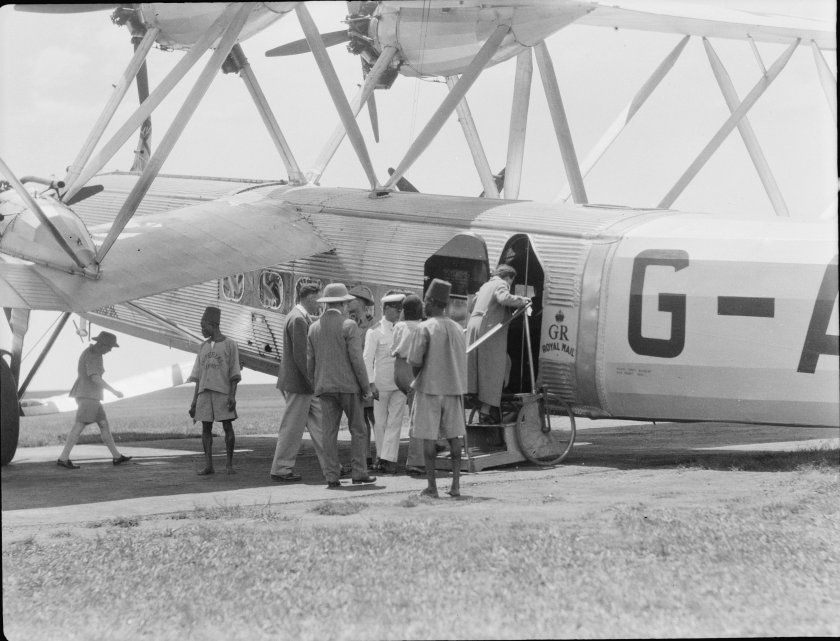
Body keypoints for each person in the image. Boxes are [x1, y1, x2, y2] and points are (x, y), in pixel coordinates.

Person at [308, 283, 376, 488]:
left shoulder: (313, 328)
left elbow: (310, 361)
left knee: (329, 432)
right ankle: (359, 472)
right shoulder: (349, 326)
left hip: (325, 387)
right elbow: (357, 360)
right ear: (343, 303)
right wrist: (366, 388)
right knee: (358, 429)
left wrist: (315, 384)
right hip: (348, 387)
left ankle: (331, 476)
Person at [407, 279, 467, 498]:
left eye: (426, 301)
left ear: (432, 302)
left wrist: (420, 379)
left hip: (429, 389)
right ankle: (456, 485)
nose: (424, 304)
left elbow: (415, 361)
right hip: (453, 389)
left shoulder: (425, 328)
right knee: (454, 437)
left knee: (428, 437)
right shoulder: (458, 329)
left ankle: (432, 486)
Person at [270, 284, 331, 483]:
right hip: (300, 384)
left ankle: (332, 465)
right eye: (318, 300)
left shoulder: (297, 316)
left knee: (321, 424)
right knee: (292, 428)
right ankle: (281, 468)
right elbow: (301, 357)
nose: (319, 305)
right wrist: (313, 381)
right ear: (310, 298)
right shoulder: (298, 319)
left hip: (301, 384)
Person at [56, 331, 132, 469]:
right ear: (102, 344)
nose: (110, 350)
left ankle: (117, 457)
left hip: (90, 397)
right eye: (110, 347)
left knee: (103, 425)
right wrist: (114, 391)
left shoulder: (91, 352)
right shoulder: (94, 355)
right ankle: (63, 458)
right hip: (88, 397)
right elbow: (95, 377)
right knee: (78, 426)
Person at [466, 264, 530, 424]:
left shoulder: (485, 285)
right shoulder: (501, 284)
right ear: (508, 277)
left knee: (479, 367)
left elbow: (471, 306)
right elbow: (503, 298)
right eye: (511, 282)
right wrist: (523, 300)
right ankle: (485, 412)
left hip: (474, 326)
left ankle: (478, 400)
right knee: (494, 368)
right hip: (489, 329)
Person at [188, 306, 241, 476]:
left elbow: (234, 373)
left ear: (213, 325)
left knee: (227, 426)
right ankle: (209, 465)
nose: (202, 330)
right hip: (204, 393)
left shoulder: (230, 344)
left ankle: (229, 464)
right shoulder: (203, 347)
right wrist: (194, 400)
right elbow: (197, 376)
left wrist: (232, 395)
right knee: (205, 428)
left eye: (204, 326)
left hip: (222, 392)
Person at [363, 292, 406, 474]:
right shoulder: (374, 331)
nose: (399, 313)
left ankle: (389, 460)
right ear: (386, 309)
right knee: (380, 423)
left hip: (399, 384)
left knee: (395, 423)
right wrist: (371, 384)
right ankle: (382, 456)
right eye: (396, 310)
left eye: (400, 310)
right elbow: (367, 359)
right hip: (381, 384)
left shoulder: (403, 329)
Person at [390, 293, 426, 476]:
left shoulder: (398, 325)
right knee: (416, 417)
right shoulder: (421, 327)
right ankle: (415, 461)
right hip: (412, 371)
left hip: (397, 371)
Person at [348, 284, 376, 467]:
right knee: (364, 420)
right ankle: (367, 457)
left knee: (372, 419)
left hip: (366, 379)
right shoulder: (356, 324)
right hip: (360, 379)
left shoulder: (366, 327)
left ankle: (378, 456)